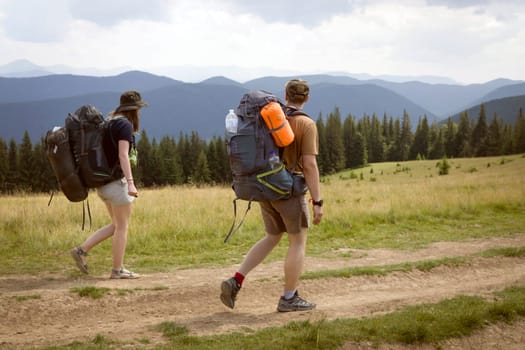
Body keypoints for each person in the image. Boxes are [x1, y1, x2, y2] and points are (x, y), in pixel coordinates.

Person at [220, 79, 323, 312]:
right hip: (289, 190)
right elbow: (309, 165)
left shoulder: (270, 118)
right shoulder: (306, 124)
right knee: (297, 241)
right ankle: (289, 298)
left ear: (285, 95)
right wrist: (318, 201)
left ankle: (236, 279)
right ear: (307, 98)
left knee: (272, 236)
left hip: (265, 186)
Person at [70, 90, 148, 279]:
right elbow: (123, 155)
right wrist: (130, 183)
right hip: (116, 184)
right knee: (122, 227)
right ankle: (117, 270)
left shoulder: (109, 122)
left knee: (115, 225)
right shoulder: (125, 126)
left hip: (102, 184)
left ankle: (81, 250)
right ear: (134, 109)